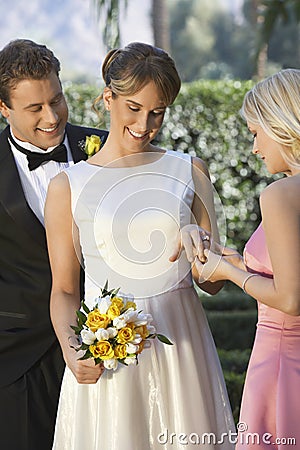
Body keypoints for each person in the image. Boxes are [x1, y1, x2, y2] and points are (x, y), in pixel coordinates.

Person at [45, 42, 235, 450]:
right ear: (107, 98)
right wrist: (71, 347)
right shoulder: (68, 187)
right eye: (133, 107)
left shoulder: (190, 170)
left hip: (183, 351)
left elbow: (213, 282)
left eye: (157, 112)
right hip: (108, 361)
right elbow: (63, 290)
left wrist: (202, 250)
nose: (144, 124)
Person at [0, 38, 108, 450]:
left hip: (109, 346)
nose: (52, 116)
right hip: (17, 360)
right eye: (35, 108)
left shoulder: (106, 149)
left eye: (57, 99)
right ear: (4, 108)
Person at [190, 69, 300, 449]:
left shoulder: (281, 195)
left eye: (256, 133)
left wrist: (228, 273)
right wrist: (241, 265)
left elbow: (290, 299)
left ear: (280, 123)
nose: (254, 148)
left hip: (283, 362)